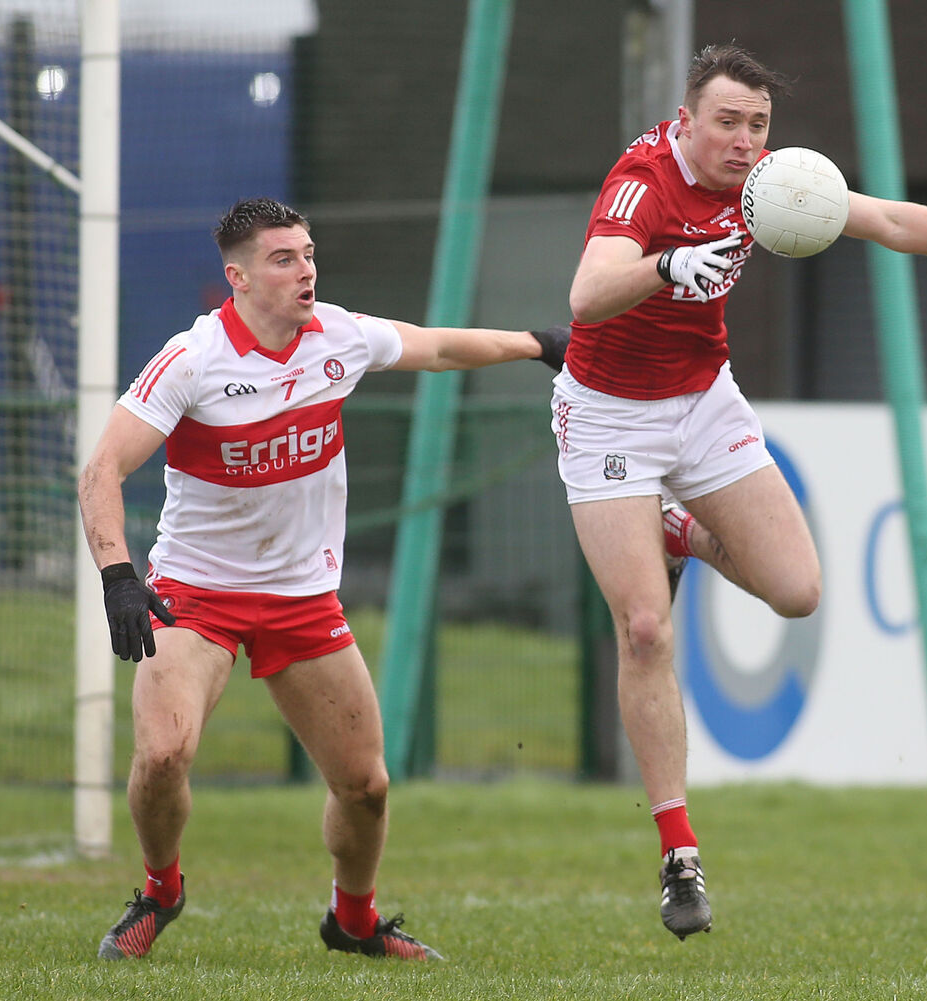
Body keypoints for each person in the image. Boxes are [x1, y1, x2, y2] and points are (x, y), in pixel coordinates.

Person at [552, 42, 927, 941]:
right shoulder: (643, 181)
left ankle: (676, 533)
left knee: (797, 590)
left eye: (758, 125)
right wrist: (665, 266)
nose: (744, 141)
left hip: (701, 401)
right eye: (727, 122)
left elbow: (891, 221)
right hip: (610, 415)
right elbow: (587, 294)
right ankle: (679, 853)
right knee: (648, 628)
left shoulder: (772, 180)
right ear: (687, 118)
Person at [78, 197, 568, 963]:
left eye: (308, 254)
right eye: (284, 258)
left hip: (302, 596)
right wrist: (117, 574)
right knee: (164, 753)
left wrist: (539, 343)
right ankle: (160, 889)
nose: (305, 269)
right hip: (197, 593)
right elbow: (102, 467)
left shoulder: (336, 336)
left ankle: (355, 920)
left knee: (367, 786)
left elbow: (436, 347)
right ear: (237, 277)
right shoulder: (194, 359)